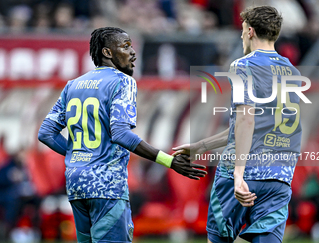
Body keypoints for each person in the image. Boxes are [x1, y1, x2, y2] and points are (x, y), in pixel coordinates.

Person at [38, 27, 206, 243]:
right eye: (126, 46)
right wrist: (169, 161)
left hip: (77, 183)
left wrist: (80, 155)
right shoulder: (122, 81)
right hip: (106, 184)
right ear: (108, 53)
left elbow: (46, 133)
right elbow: (121, 134)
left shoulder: (73, 85)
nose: (133, 52)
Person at [173, 6, 302, 243]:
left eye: (242, 30)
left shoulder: (243, 65)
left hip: (243, 172)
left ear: (250, 31)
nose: (242, 36)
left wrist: (238, 174)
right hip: (278, 176)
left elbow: (246, 118)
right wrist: (201, 146)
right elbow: (254, 127)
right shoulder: (291, 71)